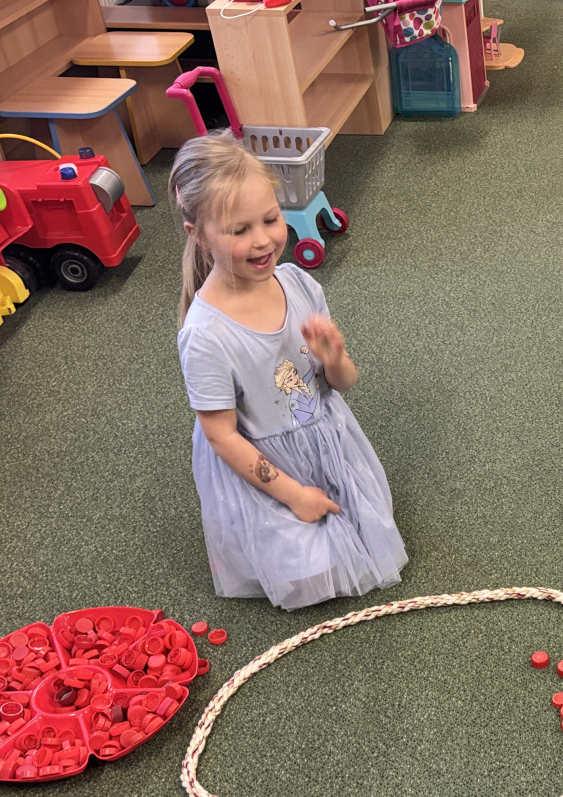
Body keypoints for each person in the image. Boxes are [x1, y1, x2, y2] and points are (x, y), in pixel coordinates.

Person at [170, 133, 407, 611]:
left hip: (326, 440)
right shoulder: (206, 335)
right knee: (308, 575)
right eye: (239, 230)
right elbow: (221, 437)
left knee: (369, 533)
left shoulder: (298, 282)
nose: (262, 240)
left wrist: (335, 359)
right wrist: (295, 496)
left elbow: (342, 384)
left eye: (271, 218)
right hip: (263, 465)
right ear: (198, 234)